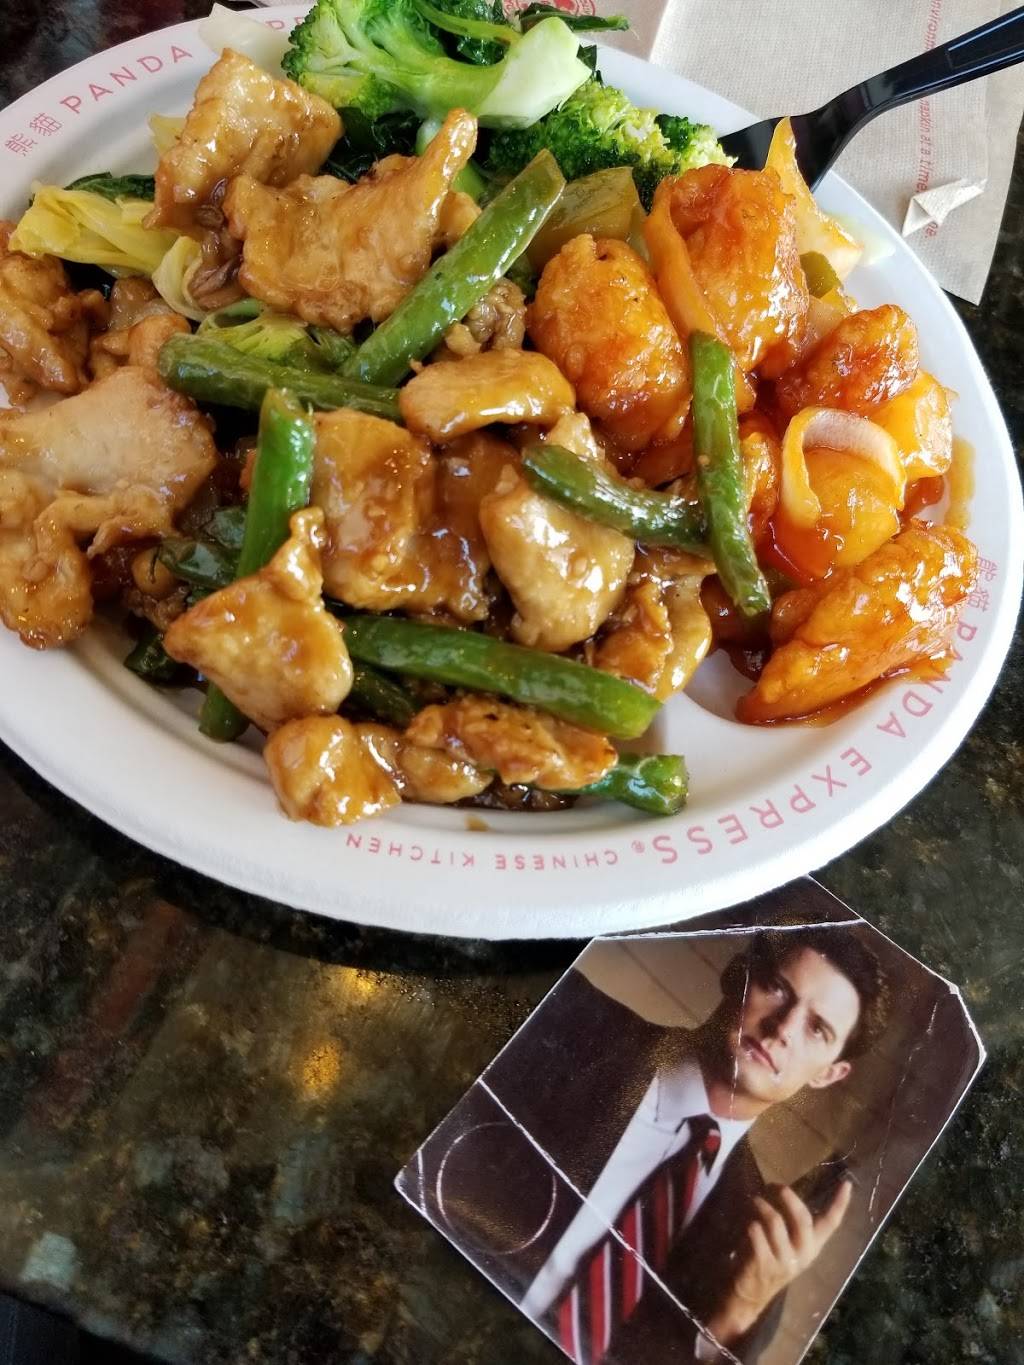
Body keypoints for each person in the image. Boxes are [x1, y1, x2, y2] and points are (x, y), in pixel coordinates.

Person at [438, 919, 889, 1365]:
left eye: (817, 1029)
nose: (783, 1028)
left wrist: (736, 1315)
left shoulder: (757, 1258)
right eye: (777, 988)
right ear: (739, 974)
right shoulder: (566, 1013)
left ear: (829, 1074)